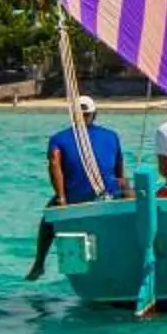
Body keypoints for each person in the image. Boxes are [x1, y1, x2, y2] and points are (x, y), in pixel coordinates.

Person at [26, 94, 126, 279]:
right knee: (127, 188)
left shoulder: (58, 138)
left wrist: (61, 198)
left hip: (75, 197)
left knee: (48, 217)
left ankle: (39, 263)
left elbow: (54, 163)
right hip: (109, 195)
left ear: (74, 115)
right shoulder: (112, 136)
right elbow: (119, 171)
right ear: (94, 115)